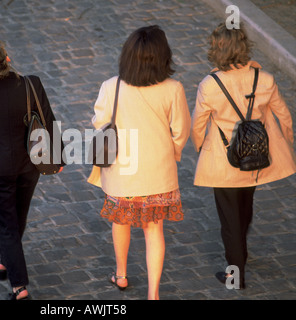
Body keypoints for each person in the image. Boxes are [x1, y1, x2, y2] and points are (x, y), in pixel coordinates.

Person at [87, 25, 191, 300]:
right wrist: (171, 155)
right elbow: (181, 131)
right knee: (154, 229)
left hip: (122, 171)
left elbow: (99, 124)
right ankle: (153, 294)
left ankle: (121, 274)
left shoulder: (111, 87)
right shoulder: (174, 88)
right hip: (158, 173)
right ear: (163, 57)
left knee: (120, 222)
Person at [191, 23, 296, 289]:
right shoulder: (265, 79)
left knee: (229, 219)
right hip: (255, 157)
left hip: (224, 161)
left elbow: (198, 126)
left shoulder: (210, 85)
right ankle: (241, 253)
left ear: (217, 49)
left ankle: (235, 275)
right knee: (245, 206)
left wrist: (200, 147)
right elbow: (284, 114)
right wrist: (288, 140)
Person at [0, 39, 64, 300]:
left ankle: (19, 286)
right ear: (7, 58)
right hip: (30, 162)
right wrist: (59, 157)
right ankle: (6, 258)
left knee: (6, 224)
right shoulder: (32, 83)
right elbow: (49, 120)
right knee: (19, 215)